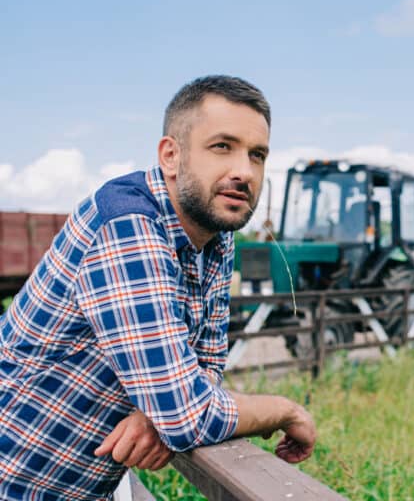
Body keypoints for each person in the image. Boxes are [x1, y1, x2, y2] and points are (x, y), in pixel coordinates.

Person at [0, 75, 316, 500]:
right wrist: (285, 409)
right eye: (222, 146)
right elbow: (186, 412)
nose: (244, 171)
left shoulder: (214, 237)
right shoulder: (129, 226)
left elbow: (203, 372)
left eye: (257, 155)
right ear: (171, 155)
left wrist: (157, 413)